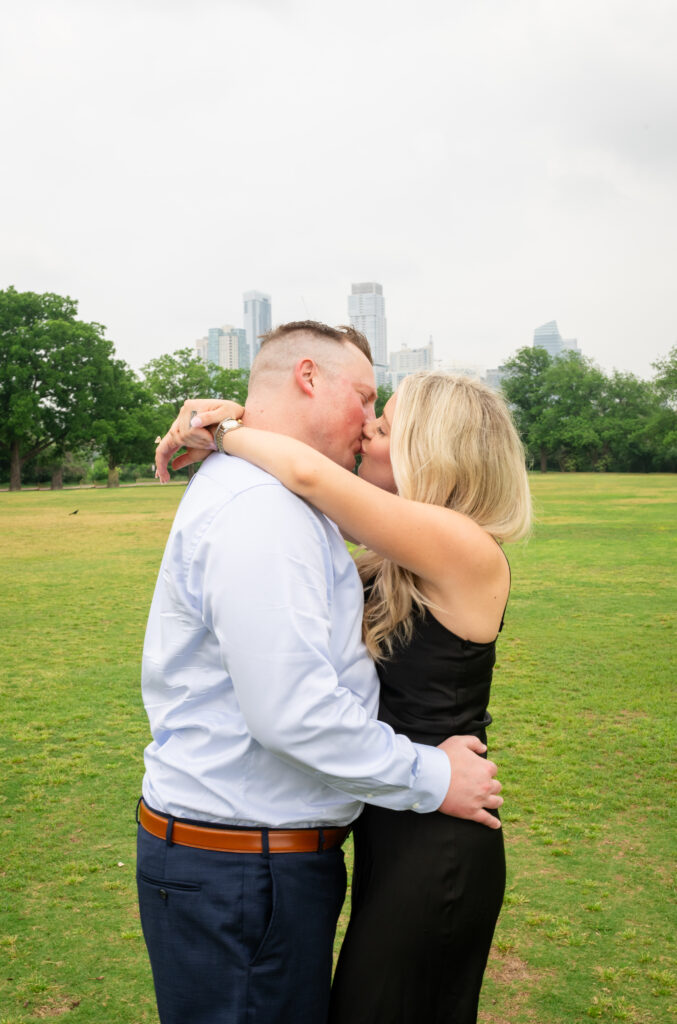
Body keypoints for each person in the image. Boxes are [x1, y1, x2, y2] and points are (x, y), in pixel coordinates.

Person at [140, 321, 504, 1024]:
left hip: (429, 820)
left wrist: (223, 427)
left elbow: (307, 472)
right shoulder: (273, 512)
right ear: (310, 377)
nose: (368, 428)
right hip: (373, 813)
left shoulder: (448, 545)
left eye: (384, 420)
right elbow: (293, 712)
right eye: (368, 403)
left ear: (431, 449)